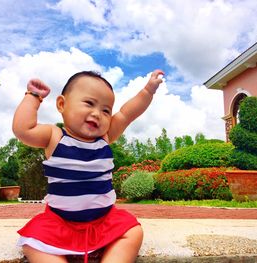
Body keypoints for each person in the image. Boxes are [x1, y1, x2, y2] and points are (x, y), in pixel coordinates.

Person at [12, 69, 164, 263]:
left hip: (104, 221)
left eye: (106, 110)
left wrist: (148, 90)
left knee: (133, 231)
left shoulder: (105, 137)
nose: (97, 113)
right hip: (59, 222)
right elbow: (23, 129)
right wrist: (33, 96)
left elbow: (127, 113)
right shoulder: (54, 136)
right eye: (89, 103)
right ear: (62, 105)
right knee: (33, 242)